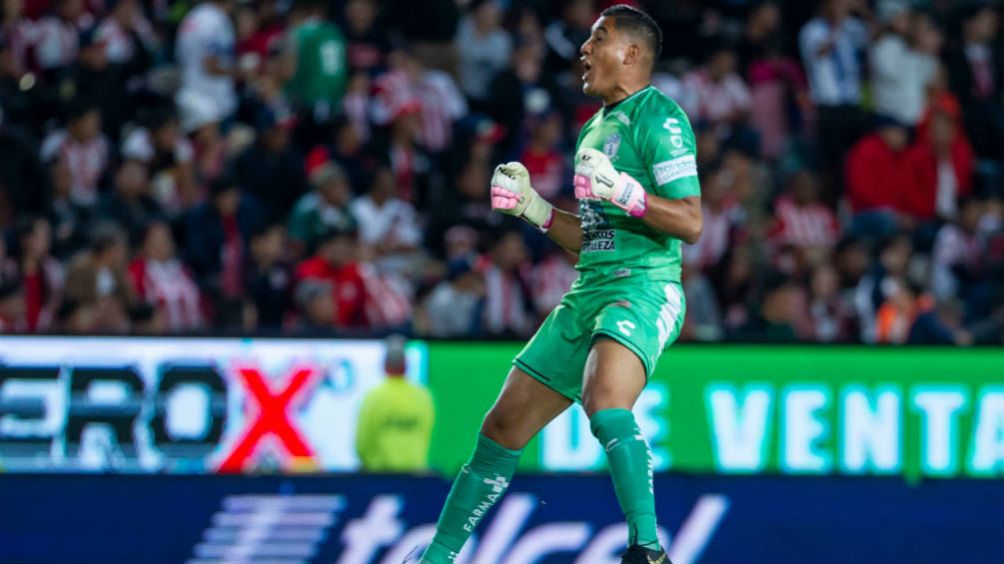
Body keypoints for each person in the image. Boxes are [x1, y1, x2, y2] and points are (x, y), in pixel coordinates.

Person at [419, 6, 702, 564]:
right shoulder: (595, 128)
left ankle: (647, 550)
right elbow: (592, 237)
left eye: (599, 38)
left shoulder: (661, 119)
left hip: (644, 286)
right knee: (500, 427)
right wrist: (534, 209)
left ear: (633, 54)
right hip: (590, 288)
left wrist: (627, 193)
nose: (584, 49)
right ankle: (435, 559)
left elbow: (691, 222)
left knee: (604, 398)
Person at [355, 335, 435, 472]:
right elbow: (426, 434)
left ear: (384, 365)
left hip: (380, 475)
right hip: (414, 473)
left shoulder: (374, 396)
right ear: (406, 366)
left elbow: (363, 440)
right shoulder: (423, 396)